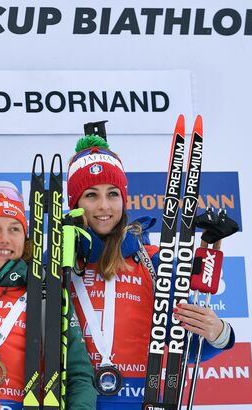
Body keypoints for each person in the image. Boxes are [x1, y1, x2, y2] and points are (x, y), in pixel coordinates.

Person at [65, 134, 235, 409]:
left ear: (124, 199)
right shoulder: (55, 264)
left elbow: (187, 348)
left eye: (113, 194)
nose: (104, 206)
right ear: (75, 202)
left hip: (139, 399)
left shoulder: (154, 262)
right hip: (73, 401)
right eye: (91, 195)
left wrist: (217, 333)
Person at [0, 186, 97, 409]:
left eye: (14, 229)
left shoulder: (47, 292)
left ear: (25, 238)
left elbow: (78, 377)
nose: (4, 239)